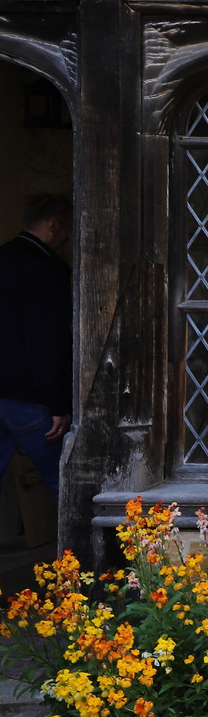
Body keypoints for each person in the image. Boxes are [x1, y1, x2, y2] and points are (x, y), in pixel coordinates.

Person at [0, 193, 72, 495]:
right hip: (30, 396)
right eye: (67, 230)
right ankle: (78, 545)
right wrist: (58, 403)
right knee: (65, 485)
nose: (67, 238)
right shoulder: (48, 269)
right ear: (53, 225)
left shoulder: (2, 257)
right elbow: (48, 339)